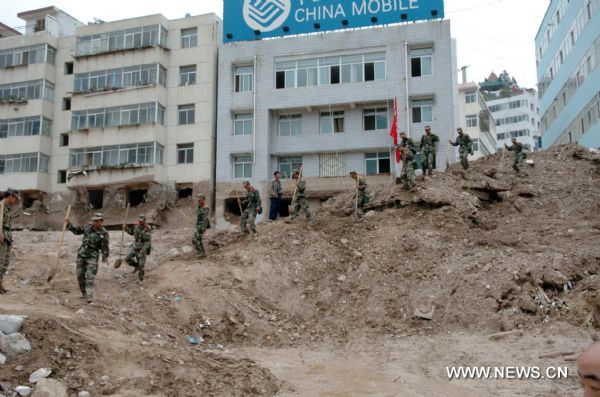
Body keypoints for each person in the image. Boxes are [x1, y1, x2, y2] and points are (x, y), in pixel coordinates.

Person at [66, 212, 109, 303]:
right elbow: (76, 231)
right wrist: (68, 224)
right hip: (82, 254)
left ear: (101, 221)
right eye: (94, 221)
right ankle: (84, 294)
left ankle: (89, 297)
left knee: (90, 276)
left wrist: (105, 258)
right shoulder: (87, 227)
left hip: (92, 256)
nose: (95, 222)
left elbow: (105, 246)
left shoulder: (104, 232)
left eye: (97, 221)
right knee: (79, 275)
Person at [0, 189, 20, 294]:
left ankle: (0, 283)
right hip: (1, 236)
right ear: (11, 196)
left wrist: (10, 240)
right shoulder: (1, 205)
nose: (16, 200)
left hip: (7, 237)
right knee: (0, 261)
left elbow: (8, 225)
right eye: (15, 198)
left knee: (5, 263)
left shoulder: (7, 208)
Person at [124, 214, 152, 281]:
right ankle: (136, 266)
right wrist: (126, 228)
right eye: (139, 221)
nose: (140, 222)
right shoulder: (136, 226)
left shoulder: (147, 228)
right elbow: (131, 232)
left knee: (141, 266)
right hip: (135, 246)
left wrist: (143, 250)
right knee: (127, 259)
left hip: (142, 247)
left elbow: (148, 242)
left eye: (141, 221)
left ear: (145, 220)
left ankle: (141, 279)